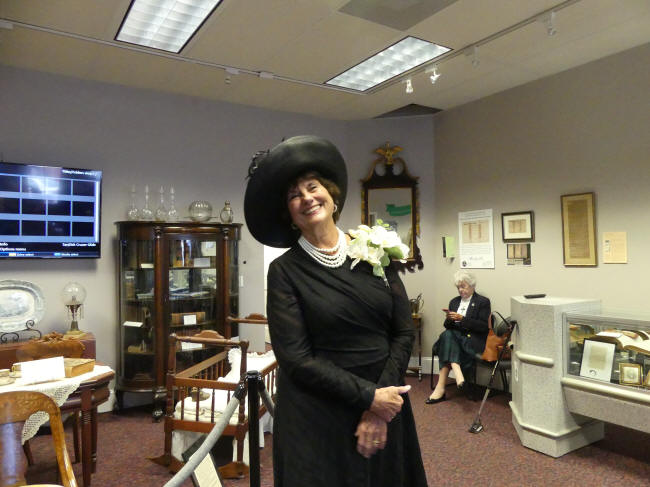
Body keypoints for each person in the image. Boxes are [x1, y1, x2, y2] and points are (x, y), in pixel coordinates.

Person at [244, 135, 428, 487]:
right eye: (294, 195)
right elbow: (296, 359)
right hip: (318, 414)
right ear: (288, 213)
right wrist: (368, 398)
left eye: (313, 187)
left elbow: (403, 332)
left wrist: (380, 404)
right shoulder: (284, 271)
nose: (307, 198)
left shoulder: (374, 249)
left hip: (385, 400)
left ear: (331, 194)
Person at [426, 270, 490, 404]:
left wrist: (462, 319)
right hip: (454, 338)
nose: (460, 290)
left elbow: (483, 327)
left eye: (463, 286)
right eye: (458, 287)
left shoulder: (482, 302)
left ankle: (441, 387)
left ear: (472, 286)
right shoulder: (454, 302)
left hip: (472, 339)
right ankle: (457, 371)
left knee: (446, 337)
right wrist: (449, 318)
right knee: (448, 334)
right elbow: (447, 326)